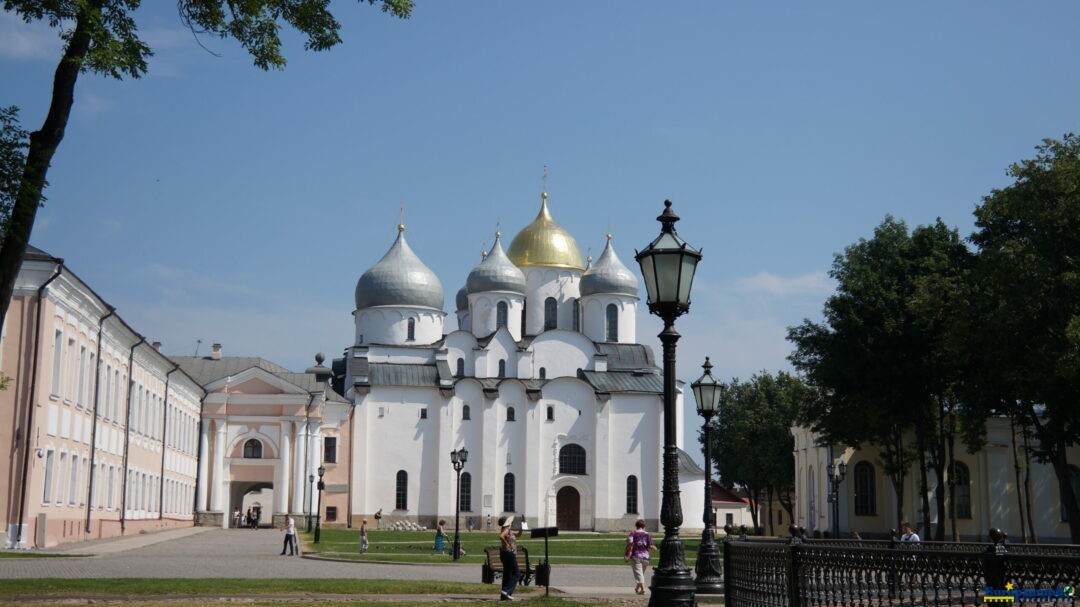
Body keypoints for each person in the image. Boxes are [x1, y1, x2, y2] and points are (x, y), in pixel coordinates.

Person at [624, 519, 657, 595]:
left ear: (636, 525)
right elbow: (650, 545)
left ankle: (643, 589)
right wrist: (654, 548)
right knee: (640, 574)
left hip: (636, 556)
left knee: (639, 574)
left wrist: (627, 552)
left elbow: (629, 542)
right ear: (644, 526)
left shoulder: (633, 533)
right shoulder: (647, 534)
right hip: (646, 557)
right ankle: (637, 588)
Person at [497, 515, 523, 601]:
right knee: (517, 574)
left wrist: (522, 528)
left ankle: (504, 596)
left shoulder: (509, 530)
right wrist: (506, 543)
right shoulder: (506, 530)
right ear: (507, 523)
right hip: (509, 554)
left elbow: (518, 534)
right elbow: (501, 536)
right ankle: (507, 591)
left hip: (505, 554)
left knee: (507, 574)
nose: (511, 522)